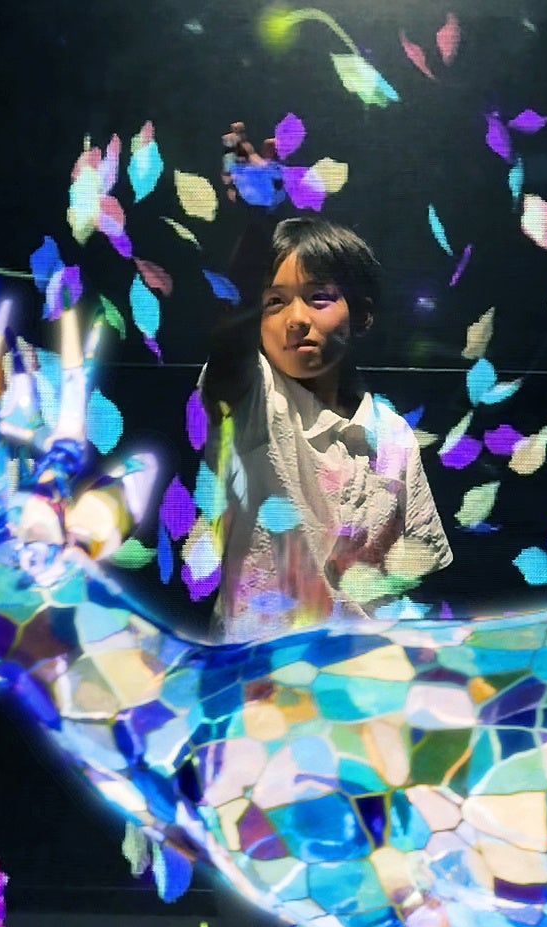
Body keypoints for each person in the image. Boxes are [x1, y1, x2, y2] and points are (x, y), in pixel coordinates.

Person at [199, 176, 451, 641]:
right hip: (259, 671)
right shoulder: (255, 402)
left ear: (362, 314)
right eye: (274, 301)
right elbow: (229, 340)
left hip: (365, 671)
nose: (296, 319)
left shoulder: (394, 436)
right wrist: (256, 218)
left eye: (319, 297)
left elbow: (410, 574)